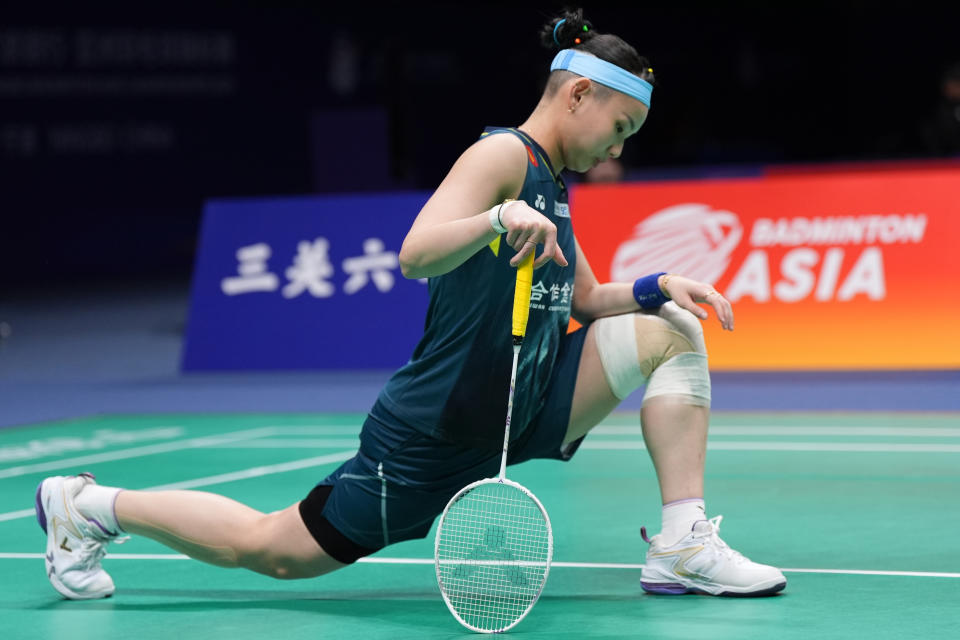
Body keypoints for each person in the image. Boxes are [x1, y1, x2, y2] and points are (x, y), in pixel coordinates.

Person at [36, 8, 785, 602]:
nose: (618, 152)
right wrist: (496, 219)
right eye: (620, 129)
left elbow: (585, 298)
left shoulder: (554, 184)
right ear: (579, 93)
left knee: (670, 329)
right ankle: (92, 507)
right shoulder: (501, 158)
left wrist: (658, 286)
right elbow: (414, 251)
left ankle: (681, 546)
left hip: (523, 402)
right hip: (439, 427)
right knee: (273, 550)